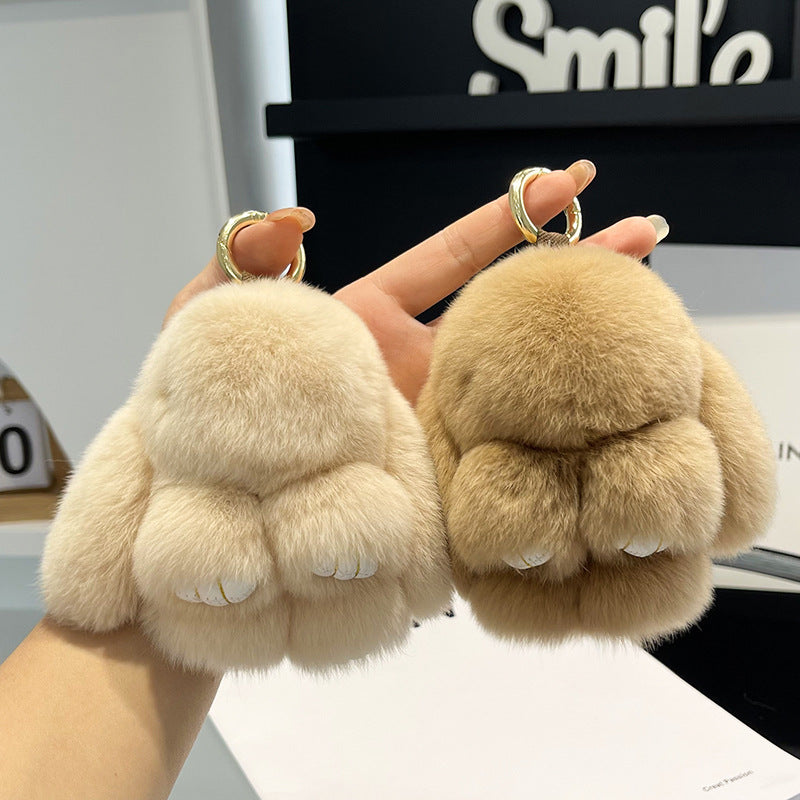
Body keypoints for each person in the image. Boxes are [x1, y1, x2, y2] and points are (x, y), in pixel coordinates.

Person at [0, 160, 663, 800]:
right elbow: (135, 458)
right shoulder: (240, 377)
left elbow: (391, 433)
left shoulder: (246, 376)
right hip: (247, 535)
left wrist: (104, 603)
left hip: (298, 545)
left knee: (329, 523)